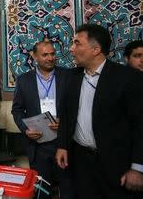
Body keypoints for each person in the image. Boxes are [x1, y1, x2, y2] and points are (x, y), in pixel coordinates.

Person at [56, 24, 143, 198]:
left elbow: (140, 125)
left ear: (95, 49)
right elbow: (66, 115)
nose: (71, 49)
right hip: (81, 163)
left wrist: (137, 168)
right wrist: (63, 145)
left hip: (116, 166)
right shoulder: (72, 78)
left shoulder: (128, 78)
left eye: (77, 43)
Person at [12, 40, 75, 199]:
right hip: (38, 145)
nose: (50, 58)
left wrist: (65, 121)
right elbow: (17, 109)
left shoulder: (68, 76)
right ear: (34, 56)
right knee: (41, 190)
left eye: (52, 54)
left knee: (68, 188)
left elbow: (77, 107)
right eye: (45, 54)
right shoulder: (24, 80)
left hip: (64, 142)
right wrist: (26, 129)